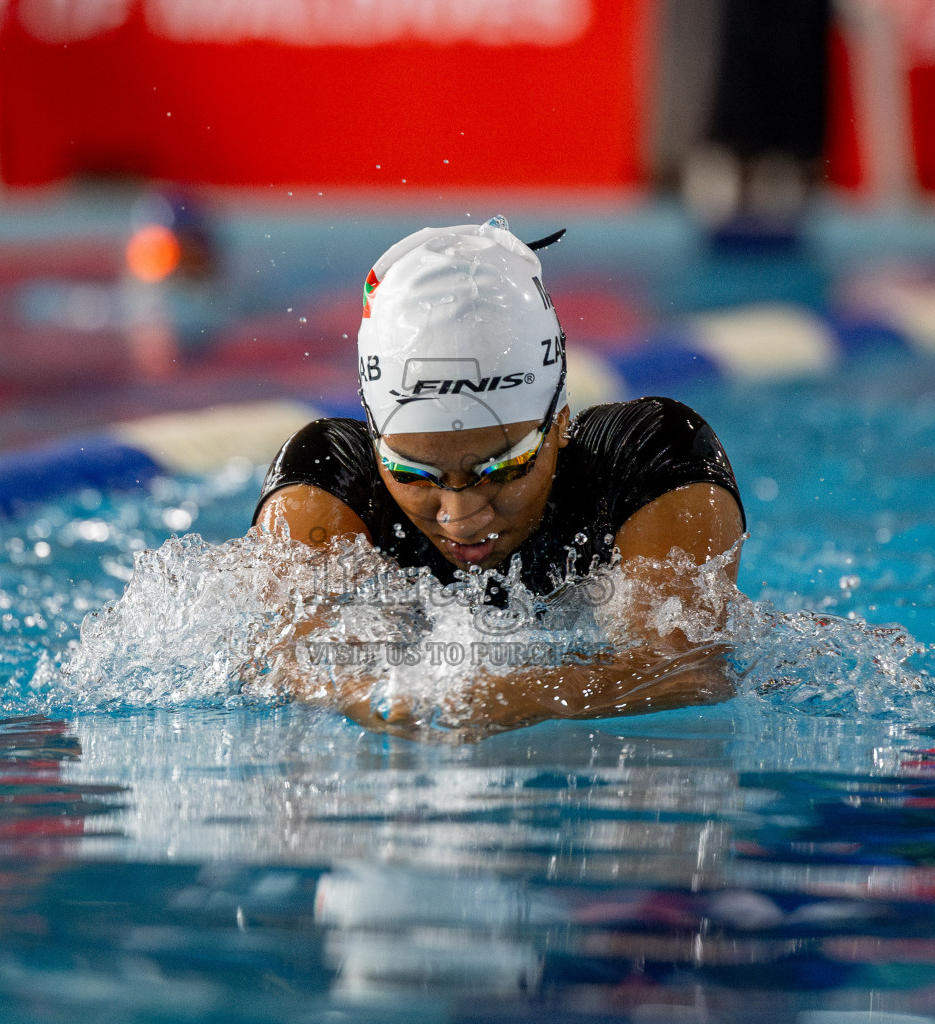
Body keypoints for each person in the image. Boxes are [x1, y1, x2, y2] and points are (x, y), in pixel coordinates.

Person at [254, 218, 746, 734]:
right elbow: (292, 662)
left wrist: (520, 694)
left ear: (557, 420)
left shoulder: (648, 458)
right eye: (412, 473)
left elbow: (687, 668)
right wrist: (372, 694)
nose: (461, 518)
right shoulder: (328, 483)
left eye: (502, 469)